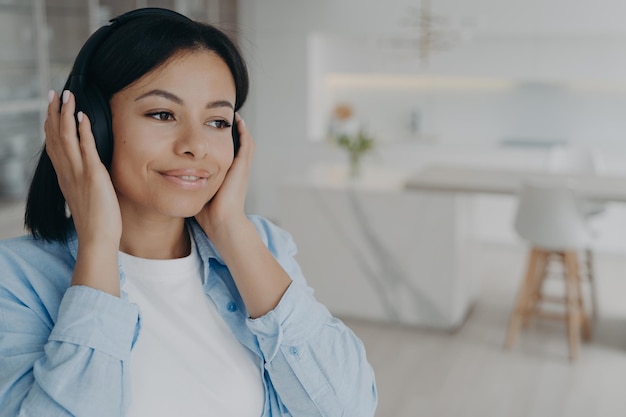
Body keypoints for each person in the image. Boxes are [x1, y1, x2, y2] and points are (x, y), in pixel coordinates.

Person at [0, 8, 377, 417]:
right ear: (93, 126)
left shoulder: (264, 245)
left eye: (217, 121)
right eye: (162, 114)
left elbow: (347, 408)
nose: (196, 145)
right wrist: (98, 245)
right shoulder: (16, 281)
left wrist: (232, 230)